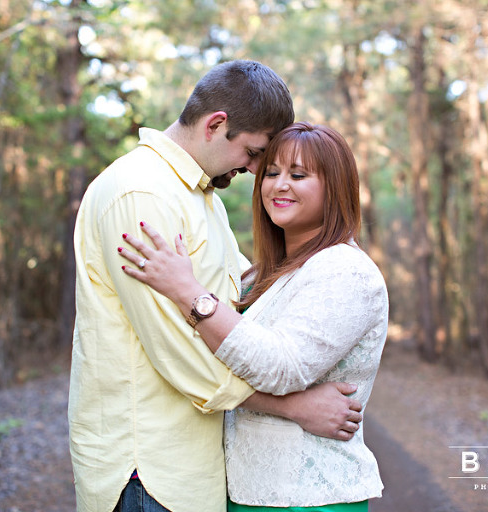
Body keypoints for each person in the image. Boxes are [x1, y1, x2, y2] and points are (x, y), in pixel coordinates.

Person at [70, 62, 364, 512]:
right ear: (216, 124)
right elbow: (179, 353)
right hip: (148, 472)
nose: (253, 170)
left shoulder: (197, 196)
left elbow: (246, 302)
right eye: (253, 153)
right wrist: (292, 406)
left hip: (191, 467)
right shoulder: (142, 195)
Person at [119, 122, 388, 511]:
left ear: (336, 188)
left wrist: (188, 292)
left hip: (307, 497)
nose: (279, 185)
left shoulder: (346, 272)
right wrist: (294, 406)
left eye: (298, 175)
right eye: (271, 173)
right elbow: (218, 356)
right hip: (250, 491)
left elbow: (280, 366)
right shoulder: (263, 274)